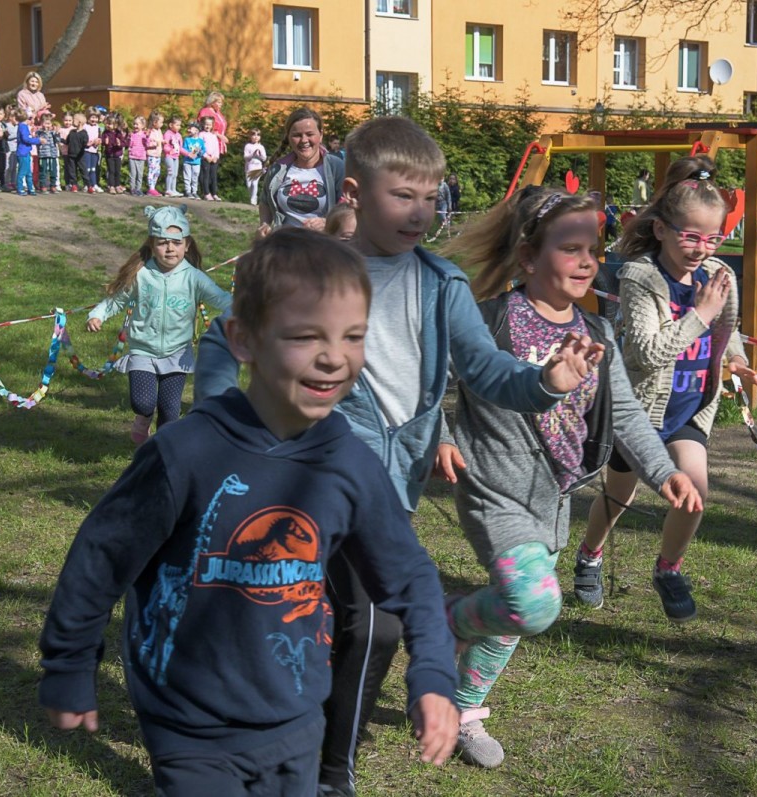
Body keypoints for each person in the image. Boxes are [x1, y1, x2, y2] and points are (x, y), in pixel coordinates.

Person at [194, 115, 598, 796]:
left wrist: (543, 382)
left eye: (431, 197)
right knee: (314, 617)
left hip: (388, 491)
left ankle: (328, 768)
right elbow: (222, 335)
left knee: (368, 628)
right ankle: (261, 741)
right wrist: (214, 416)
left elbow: (485, 369)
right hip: (301, 476)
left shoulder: (441, 284)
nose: (421, 212)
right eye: (403, 195)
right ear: (354, 190)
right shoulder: (309, 269)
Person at [40, 228, 461, 795]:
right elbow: (100, 557)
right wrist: (69, 664)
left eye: (354, 336)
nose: (334, 357)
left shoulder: (350, 465)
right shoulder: (185, 452)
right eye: (306, 336)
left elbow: (409, 575)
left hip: (297, 718)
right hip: (188, 721)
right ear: (243, 339)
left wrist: (432, 673)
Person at [434, 187, 703, 768]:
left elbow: (625, 414)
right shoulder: (488, 321)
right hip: (492, 488)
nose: (588, 262)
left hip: (554, 498)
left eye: (594, 250)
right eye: (571, 249)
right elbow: (429, 381)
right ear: (528, 257)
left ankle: (465, 710)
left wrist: (664, 471)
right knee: (531, 600)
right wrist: (442, 435)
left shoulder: (598, 334)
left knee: (513, 613)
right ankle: (444, 621)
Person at [577, 155, 757, 620]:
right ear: (662, 230)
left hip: (689, 408)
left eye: (712, 238)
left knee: (695, 492)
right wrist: (699, 315)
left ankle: (668, 568)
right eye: (691, 236)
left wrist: (737, 359)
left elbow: (726, 329)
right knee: (619, 496)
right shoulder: (641, 277)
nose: (702, 248)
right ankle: (589, 554)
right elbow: (646, 352)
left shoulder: (718, 276)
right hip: (640, 409)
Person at [86, 206, 231, 444]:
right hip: (143, 350)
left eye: (176, 243)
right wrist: (97, 315)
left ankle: (162, 451)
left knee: (170, 411)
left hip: (177, 354)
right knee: (142, 403)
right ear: (152, 245)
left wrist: (243, 311)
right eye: (163, 243)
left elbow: (221, 298)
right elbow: (116, 300)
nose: (170, 248)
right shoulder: (141, 275)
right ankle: (143, 418)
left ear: (187, 245)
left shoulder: (194, 277)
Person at [258, 107, 345, 234]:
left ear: (320, 135)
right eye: (297, 135)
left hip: (324, 243)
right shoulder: (278, 169)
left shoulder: (336, 167)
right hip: (285, 243)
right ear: (288, 137)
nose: (304, 140)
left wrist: (328, 222)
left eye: (310, 134)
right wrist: (264, 225)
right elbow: (265, 202)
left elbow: (349, 207)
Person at [15, 108, 40, 196]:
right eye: (30, 119)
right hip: (22, 153)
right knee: (22, 172)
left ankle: (30, 188)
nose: (31, 121)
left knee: (29, 172)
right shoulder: (23, 126)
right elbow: (26, 139)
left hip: (26, 152)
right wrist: (38, 140)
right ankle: (20, 188)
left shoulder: (23, 126)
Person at [196, 90, 229, 157]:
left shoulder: (217, 112)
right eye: (219, 102)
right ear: (212, 102)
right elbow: (203, 127)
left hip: (219, 144)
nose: (221, 104)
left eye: (221, 102)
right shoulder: (205, 111)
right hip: (209, 144)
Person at [198, 114, 222, 201]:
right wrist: (205, 156)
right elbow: (199, 147)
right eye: (206, 124)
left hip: (214, 158)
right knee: (205, 176)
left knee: (213, 176)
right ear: (203, 124)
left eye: (210, 124)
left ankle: (214, 193)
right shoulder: (201, 134)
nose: (208, 126)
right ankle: (206, 193)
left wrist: (216, 156)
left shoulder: (213, 135)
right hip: (205, 158)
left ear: (212, 125)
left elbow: (216, 147)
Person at [101, 112, 126, 195]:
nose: (108, 125)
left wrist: (119, 144)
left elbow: (123, 143)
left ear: (115, 125)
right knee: (111, 171)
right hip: (109, 155)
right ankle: (111, 186)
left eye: (110, 124)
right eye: (107, 123)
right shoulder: (105, 133)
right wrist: (105, 142)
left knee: (117, 171)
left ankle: (117, 185)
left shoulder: (118, 133)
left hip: (117, 154)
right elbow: (103, 142)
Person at [36, 113, 61, 194]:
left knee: (53, 171)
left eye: (49, 123)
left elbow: (58, 141)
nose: (48, 125)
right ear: (42, 123)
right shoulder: (39, 132)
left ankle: (53, 186)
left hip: (52, 155)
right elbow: (37, 139)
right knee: (43, 171)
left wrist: (57, 133)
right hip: (43, 155)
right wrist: (43, 131)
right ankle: (43, 186)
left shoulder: (53, 133)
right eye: (46, 123)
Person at [64, 111, 87, 192]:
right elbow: (67, 141)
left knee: (83, 170)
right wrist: (59, 139)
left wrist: (87, 144)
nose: (72, 121)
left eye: (74, 119)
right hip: (71, 155)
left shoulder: (84, 133)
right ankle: (74, 185)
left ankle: (87, 184)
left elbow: (85, 143)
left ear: (79, 122)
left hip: (80, 155)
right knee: (72, 171)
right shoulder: (72, 132)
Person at [82, 108, 103, 193]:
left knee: (93, 169)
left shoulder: (98, 127)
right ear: (88, 117)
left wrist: (99, 141)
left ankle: (94, 184)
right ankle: (87, 185)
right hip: (87, 150)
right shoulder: (85, 126)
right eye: (92, 117)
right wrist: (87, 143)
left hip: (95, 151)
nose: (94, 119)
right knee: (87, 168)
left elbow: (100, 137)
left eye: (96, 117)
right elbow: (82, 138)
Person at [244, 127, 267, 205]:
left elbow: (264, 158)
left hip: (258, 167)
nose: (256, 137)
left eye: (258, 135)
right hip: (249, 167)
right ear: (250, 136)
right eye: (254, 135)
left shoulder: (261, 147)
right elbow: (246, 157)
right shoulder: (248, 146)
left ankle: (253, 199)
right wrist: (252, 155)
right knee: (249, 184)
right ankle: (252, 196)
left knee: (254, 183)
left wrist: (259, 155)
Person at [181, 122, 203, 200]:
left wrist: (200, 153)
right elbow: (184, 149)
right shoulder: (187, 139)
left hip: (196, 162)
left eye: (191, 128)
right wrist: (189, 154)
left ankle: (194, 192)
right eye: (189, 128)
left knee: (195, 177)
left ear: (197, 130)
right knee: (187, 177)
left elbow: (203, 149)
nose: (189, 130)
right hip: (187, 161)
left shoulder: (200, 141)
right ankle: (188, 191)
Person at [163, 115, 183, 197]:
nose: (179, 127)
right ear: (171, 125)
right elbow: (165, 146)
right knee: (170, 173)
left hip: (176, 157)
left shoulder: (179, 135)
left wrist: (189, 154)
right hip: (169, 156)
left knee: (175, 174)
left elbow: (180, 148)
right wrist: (170, 151)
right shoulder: (167, 134)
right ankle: (168, 190)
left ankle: (173, 189)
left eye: (179, 125)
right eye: (177, 125)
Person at [145, 111, 164, 197]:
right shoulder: (150, 131)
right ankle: (151, 188)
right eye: (161, 122)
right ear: (154, 122)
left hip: (158, 155)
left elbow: (160, 140)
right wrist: (155, 144)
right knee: (152, 171)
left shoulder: (159, 131)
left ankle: (153, 187)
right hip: (152, 154)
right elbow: (148, 142)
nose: (162, 124)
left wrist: (163, 141)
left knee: (157, 172)